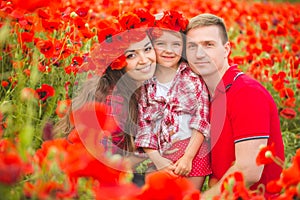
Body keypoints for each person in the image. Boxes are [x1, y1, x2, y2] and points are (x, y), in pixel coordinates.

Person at [185, 13, 285, 198]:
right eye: (192, 46)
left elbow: (248, 170)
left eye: (209, 44)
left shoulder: (246, 92)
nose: (199, 53)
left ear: (226, 49)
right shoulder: (207, 96)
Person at [53, 9, 157, 186]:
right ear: (117, 61)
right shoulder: (113, 102)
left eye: (147, 49)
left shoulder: (138, 87)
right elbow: (106, 162)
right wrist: (153, 155)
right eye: (131, 55)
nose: (144, 60)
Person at [134, 10, 211, 190]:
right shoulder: (146, 84)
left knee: (188, 195)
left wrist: (188, 157)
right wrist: (157, 159)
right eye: (161, 44)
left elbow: (201, 121)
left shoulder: (192, 79)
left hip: (193, 152)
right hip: (160, 154)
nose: (169, 50)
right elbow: (144, 126)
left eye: (176, 44)